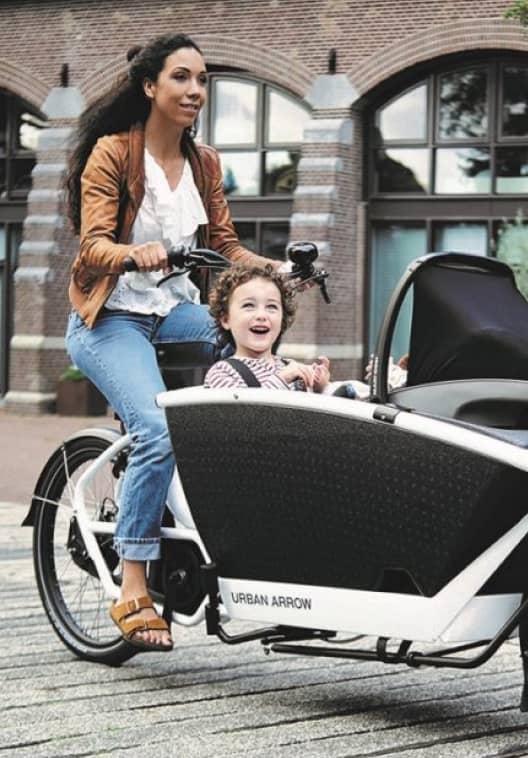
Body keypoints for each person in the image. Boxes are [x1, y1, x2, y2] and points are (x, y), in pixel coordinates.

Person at [64, 34, 282, 651]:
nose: (195, 91)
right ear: (149, 87)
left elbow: (229, 247)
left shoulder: (205, 162)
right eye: (182, 78)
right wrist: (137, 254)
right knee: (157, 428)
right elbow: (91, 246)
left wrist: (274, 272)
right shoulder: (112, 152)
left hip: (176, 312)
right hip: (110, 320)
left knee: (250, 340)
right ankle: (133, 581)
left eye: (203, 80)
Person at [205, 264, 336, 392]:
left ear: (282, 318)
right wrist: (282, 379)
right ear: (226, 319)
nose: (262, 315)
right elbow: (244, 412)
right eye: (249, 305)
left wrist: (320, 388)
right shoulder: (222, 372)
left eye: (271, 306)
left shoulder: (290, 367)